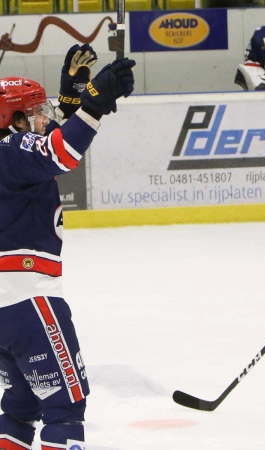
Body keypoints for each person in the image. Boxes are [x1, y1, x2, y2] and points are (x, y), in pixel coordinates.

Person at [0, 46, 135, 449]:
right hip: (28, 300)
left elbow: (51, 138)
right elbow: (60, 151)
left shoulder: (10, 154)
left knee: (19, 410)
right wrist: (92, 106)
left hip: (6, 307)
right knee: (65, 408)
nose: (46, 115)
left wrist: (76, 95)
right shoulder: (12, 150)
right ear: (14, 119)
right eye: (37, 109)